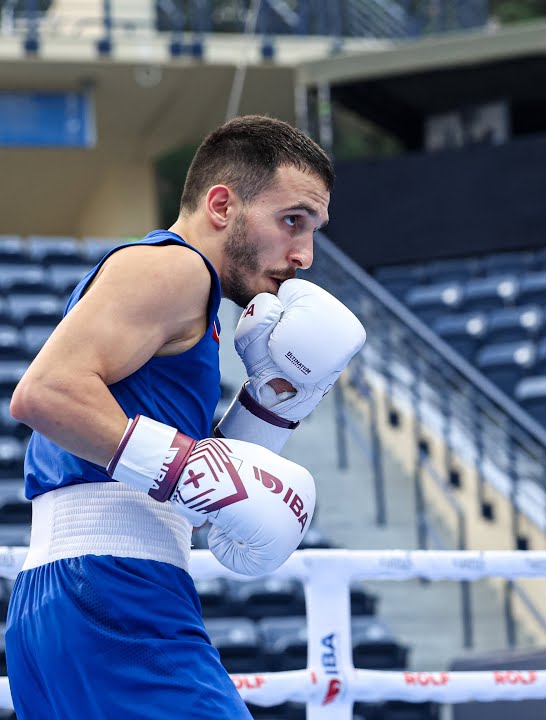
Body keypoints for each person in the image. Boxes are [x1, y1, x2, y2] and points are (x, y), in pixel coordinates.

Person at [5, 115, 366, 719]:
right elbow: (45, 394)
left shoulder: (182, 295)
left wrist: (269, 407)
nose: (303, 254)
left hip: (76, 594)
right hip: (113, 595)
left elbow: (167, 490)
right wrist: (192, 471)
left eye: (313, 230)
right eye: (292, 220)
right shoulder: (176, 269)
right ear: (221, 205)